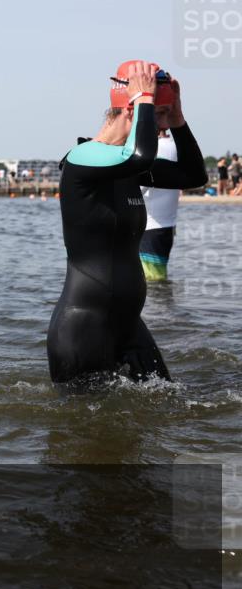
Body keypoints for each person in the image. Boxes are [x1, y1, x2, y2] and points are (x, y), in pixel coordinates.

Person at [47, 61, 207, 385]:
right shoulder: (83, 158)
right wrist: (145, 99)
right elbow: (140, 156)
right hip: (83, 328)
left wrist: (178, 119)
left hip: (128, 324)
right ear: (133, 109)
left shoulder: (127, 167)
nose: (161, 127)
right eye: (158, 116)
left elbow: (193, 175)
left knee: (171, 404)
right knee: (87, 419)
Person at [139, 131, 183, 282]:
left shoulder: (154, 147)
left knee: (152, 280)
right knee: (159, 277)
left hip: (151, 225)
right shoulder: (175, 145)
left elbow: (140, 187)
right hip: (167, 226)